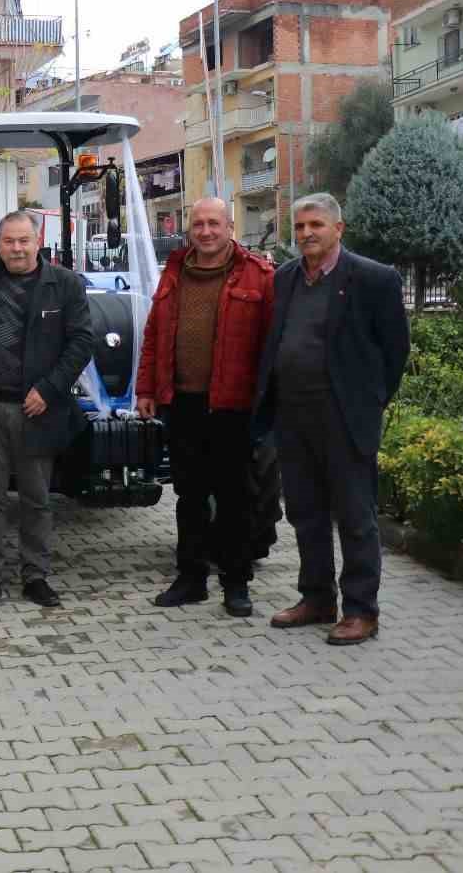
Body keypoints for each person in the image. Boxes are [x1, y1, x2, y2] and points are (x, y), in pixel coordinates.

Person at [254, 193, 409, 646]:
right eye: (300, 227)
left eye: (315, 225)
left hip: (344, 417)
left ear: (338, 229)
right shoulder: (284, 279)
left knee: (355, 515)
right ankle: (317, 598)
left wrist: (370, 400)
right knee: (305, 512)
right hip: (293, 414)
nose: (306, 234)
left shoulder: (372, 279)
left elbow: (394, 351)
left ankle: (361, 610)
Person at [135, 197, 275, 617]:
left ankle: (236, 583)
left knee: (235, 497)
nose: (207, 231)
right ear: (189, 229)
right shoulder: (174, 271)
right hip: (182, 403)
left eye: (215, 223)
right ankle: (191, 578)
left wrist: (268, 401)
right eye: (199, 224)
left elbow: (271, 344)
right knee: (188, 495)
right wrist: (145, 388)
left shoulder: (259, 275)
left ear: (230, 227)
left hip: (233, 405)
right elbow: (155, 333)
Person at [0, 211, 94, 610]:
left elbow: (82, 341)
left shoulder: (63, 284)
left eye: (23, 241)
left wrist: (49, 388)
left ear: (37, 242)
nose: (16, 248)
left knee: (36, 496)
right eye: (8, 241)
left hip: (37, 407)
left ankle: (36, 575)